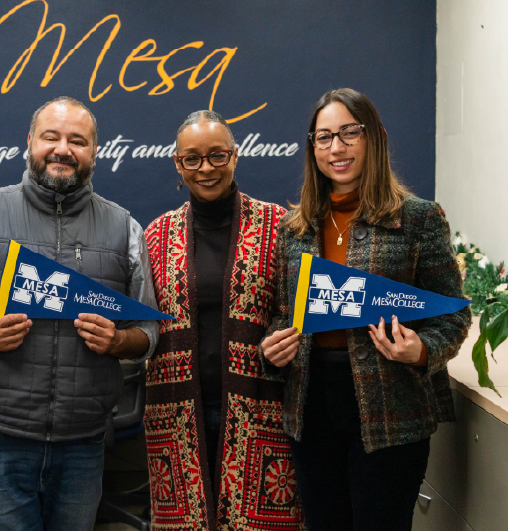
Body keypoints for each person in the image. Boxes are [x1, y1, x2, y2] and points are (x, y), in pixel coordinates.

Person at [0, 96, 159, 531]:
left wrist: (119, 342)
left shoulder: (124, 228)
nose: (63, 149)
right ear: (30, 142)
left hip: (84, 443)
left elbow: (148, 330)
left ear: (94, 152)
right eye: (51, 137)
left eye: (78, 140)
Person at [260, 88, 472, 531]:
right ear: (312, 147)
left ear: (374, 137)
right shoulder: (294, 228)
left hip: (391, 407)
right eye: (323, 137)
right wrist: (275, 348)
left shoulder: (418, 218)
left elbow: (453, 315)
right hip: (311, 403)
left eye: (348, 133)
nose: (335, 148)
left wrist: (420, 351)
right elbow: (285, 313)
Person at [143, 110, 305, 529]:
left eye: (217, 155)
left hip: (260, 410)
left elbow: (295, 309)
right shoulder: (155, 236)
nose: (206, 169)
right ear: (178, 165)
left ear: (235, 156)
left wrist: (279, 335)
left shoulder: (280, 227)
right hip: (177, 415)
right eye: (192, 159)